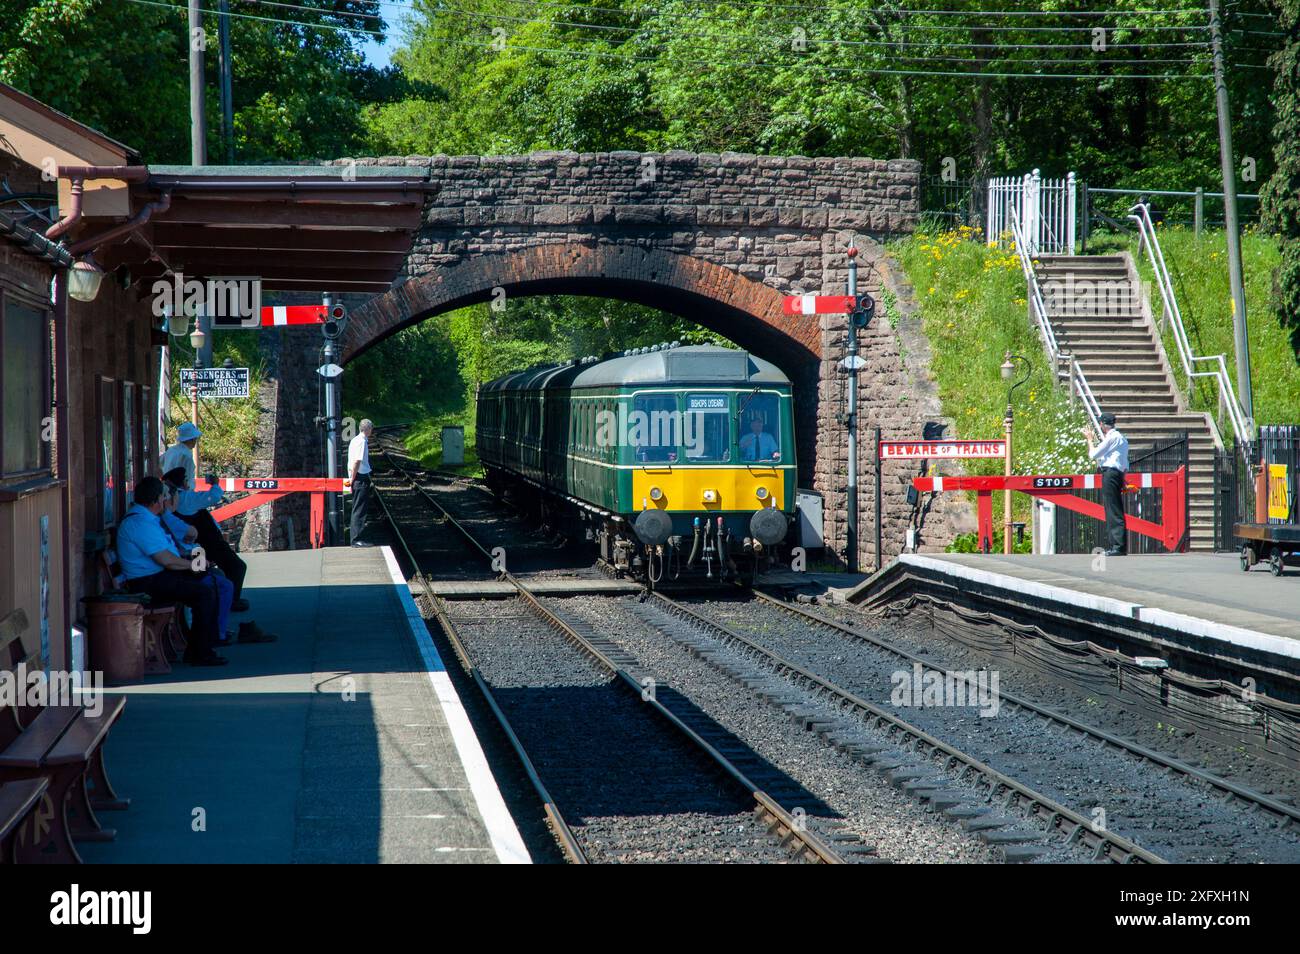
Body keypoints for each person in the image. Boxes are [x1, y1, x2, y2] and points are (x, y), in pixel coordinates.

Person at [116, 477, 227, 666]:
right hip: (146, 584)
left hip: (155, 577)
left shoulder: (146, 519)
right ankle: (200, 652)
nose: (165, 500)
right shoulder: (140, 523)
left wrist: (193, 564)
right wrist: (192, 566)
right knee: (204, 593)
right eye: (163, 496)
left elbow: (167, 556)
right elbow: (165, 559)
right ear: (156, 500)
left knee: (207, 583)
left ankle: (202, 644)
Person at [159, 486, 276, 646]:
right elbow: (171, 554)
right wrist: (193, 564)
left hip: (185, 561)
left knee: (221, 579)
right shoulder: (168, 514)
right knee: (217, 586)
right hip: (172, 570)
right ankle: (213, 635)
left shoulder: (163, 517)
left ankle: (215, 630)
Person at [160, 461, 249, 611]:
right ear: (183, 483)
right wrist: (215, 484)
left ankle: (228, 600)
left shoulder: (176, 505)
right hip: (206, 545)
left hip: (199, 546)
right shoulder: (186, 498)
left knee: (226, 571)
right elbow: (213, 497)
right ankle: (231, 602)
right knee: (237, 567)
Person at [1083, 412, 1130, 556]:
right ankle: (1118, 545)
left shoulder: (1111, 438)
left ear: (1103, 425)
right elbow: (1124, 462)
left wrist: (1090, 440)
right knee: (1115, 508)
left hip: (1110, 474)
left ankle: (1118, 546)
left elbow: (1093, 454)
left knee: (1112, 510)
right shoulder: (1121, 438)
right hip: (1117, 473)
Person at [345, 419, 374, 547]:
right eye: (371, 428)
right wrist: (353, 478)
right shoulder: (362, 442)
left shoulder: (355, 440)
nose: (371, 431)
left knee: (357, 508)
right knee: (359, 510)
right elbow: (357, 461)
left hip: (357, 477)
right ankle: (356, 540)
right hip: (360, 478)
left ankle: (356, 538)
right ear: (367, 429)